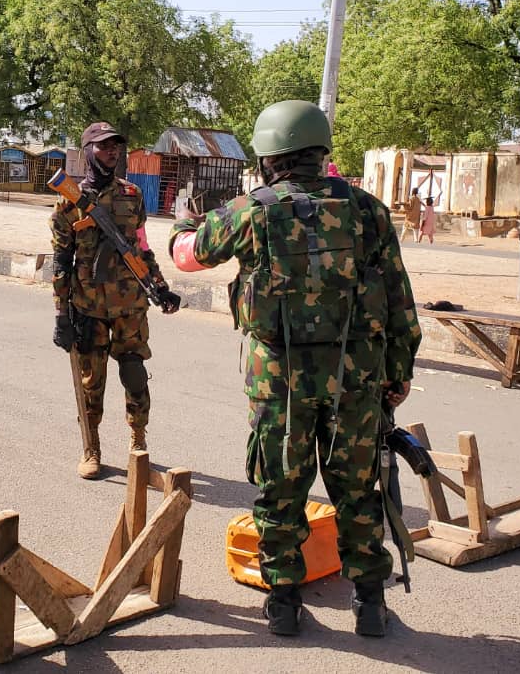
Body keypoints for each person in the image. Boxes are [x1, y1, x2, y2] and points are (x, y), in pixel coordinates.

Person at [169, 100, 421, 637]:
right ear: (320, 152)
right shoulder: (368, 210)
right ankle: (370, 603)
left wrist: (184, 222)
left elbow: (186, 256)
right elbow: (401, 304)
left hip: (278, 383)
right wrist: (396, 377)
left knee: (280, 486)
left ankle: (283, 602)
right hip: (357, 380)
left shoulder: (249, 211)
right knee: (358, 488)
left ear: (269, 157)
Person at [50, 121, 181, 480]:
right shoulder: (68, 202)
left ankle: (138, 440)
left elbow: (141, 246)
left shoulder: (132, 195)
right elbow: (61, 261)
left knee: (135, 373)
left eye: (116, 147)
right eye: (104, 146)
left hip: (130, 305)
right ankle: (91, 447)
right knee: (91, 382)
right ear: (88, 150)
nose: (112, 152)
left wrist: (161, 286)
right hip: (88, 306)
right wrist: (61, 314)